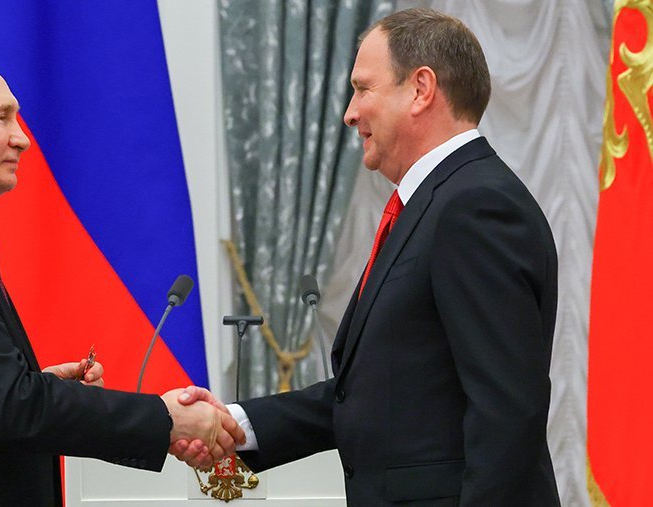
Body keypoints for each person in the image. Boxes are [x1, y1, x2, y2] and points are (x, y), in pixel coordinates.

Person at [175, 8, 560, 506]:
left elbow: (507, 414)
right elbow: (372, 394)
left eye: (362, 89)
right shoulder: (436, 204)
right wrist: (235, 423)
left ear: (420, 89)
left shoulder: (475, 207)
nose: (350, 113)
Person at [0, 53, 243, 506]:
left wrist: (41, 386)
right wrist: (165, 419)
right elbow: (16, 408)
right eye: (0, 118)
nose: (23, 139)